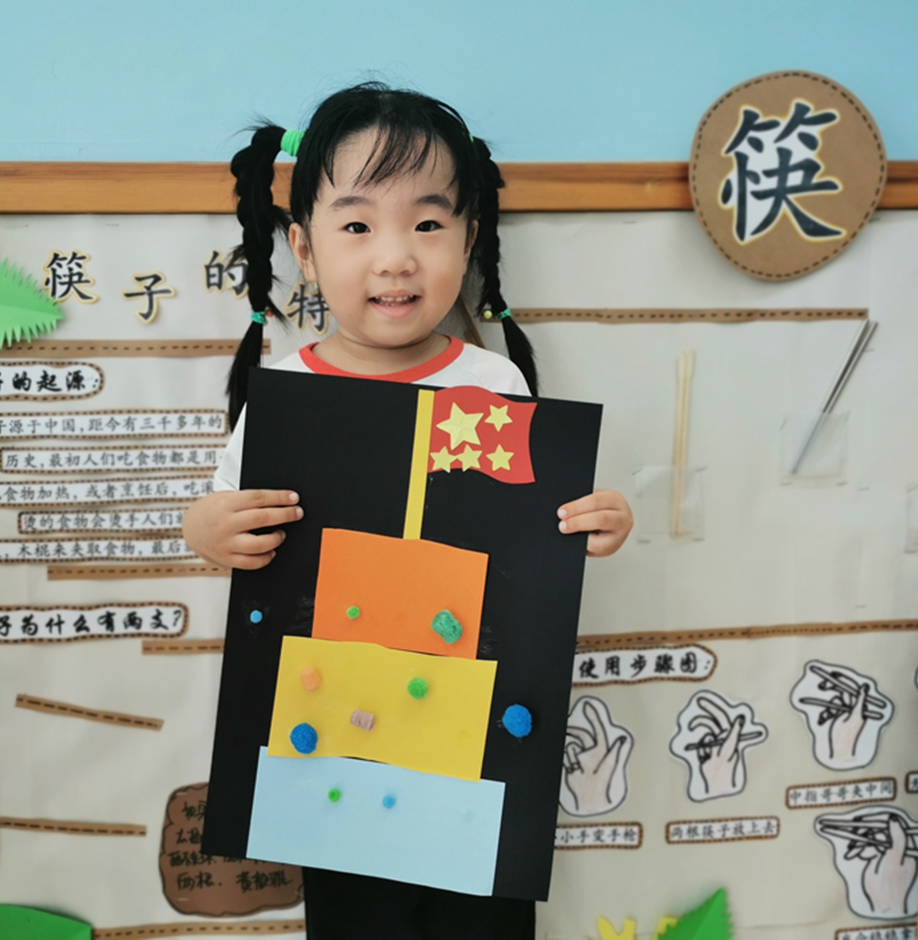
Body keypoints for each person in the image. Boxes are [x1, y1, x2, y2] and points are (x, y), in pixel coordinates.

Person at [182, 82, 632, 940]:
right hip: (333, 737)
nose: (394, 258)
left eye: (426, 224)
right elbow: (225, 512)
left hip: (472, 730)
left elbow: (537, 529)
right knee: (357, 917)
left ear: (467, 240)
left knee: (483, 919)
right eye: (356, 226)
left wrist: (596, 523)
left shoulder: (492, 384)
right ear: (304, 250)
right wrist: (204, 528)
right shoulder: (287, 395)